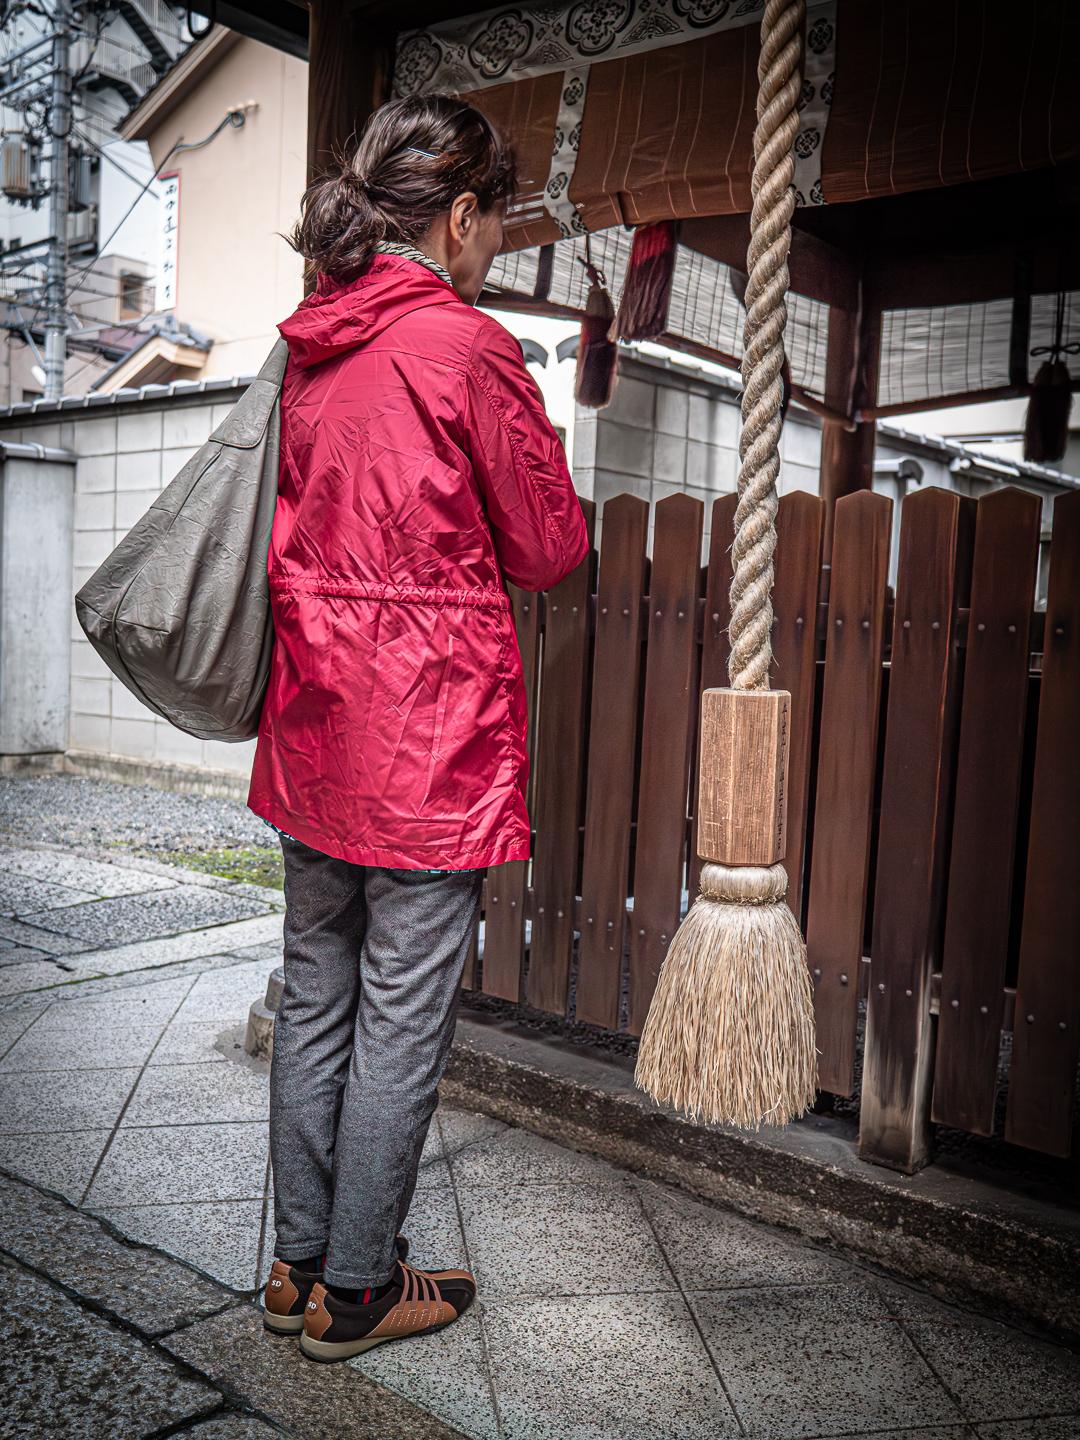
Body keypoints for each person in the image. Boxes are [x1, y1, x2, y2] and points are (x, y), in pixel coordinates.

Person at [250, 95, 588, 1363]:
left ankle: (295, 1269)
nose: (493, 250)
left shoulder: (311, 339)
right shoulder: (466, 348)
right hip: (429, 743)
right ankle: (356, 1292)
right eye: (495, 225)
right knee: (399, 1013)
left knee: (316, 993)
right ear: (459, 217)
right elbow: (549, 548)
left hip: (313, 728)